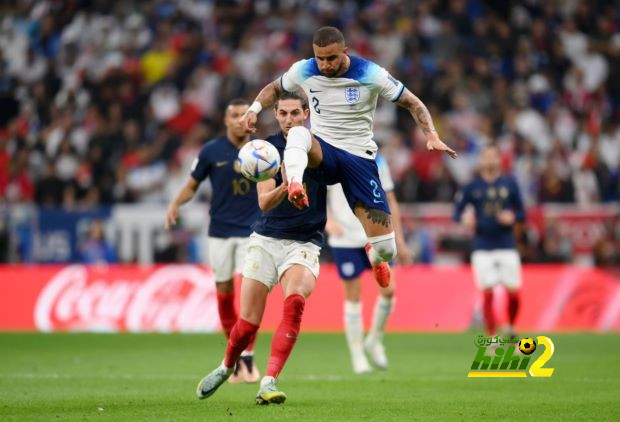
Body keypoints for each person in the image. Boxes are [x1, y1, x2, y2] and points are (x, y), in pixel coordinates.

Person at [240, 26, 457, 290]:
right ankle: (295, 183)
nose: (324, 64)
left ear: (345, 52)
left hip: (359, 159)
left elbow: (412, 102)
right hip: (324, 152)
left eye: (331, 58)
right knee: (298, 132)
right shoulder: (304, 69)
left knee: (387, 250)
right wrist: (254, 108)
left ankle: (375, 256)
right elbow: (275, 88)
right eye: (319, 58)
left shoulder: (371, 73)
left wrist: (431, 135)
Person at [196, 92, 326, 405]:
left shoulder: (321, 149)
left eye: (296, 113)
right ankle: (227, 366)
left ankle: (268, 381)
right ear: (276, 115)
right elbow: (264, 202)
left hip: (304, 243)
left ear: (306, 113)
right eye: (283, 113)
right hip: (266, 241)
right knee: (247, 323)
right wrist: (286, 185)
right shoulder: (265, 150)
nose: (290, 119)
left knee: (294, 302)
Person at [165, 99, 260, 383]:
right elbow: (192, 185)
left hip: (252, 231)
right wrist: (175, 204)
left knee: (248, 294)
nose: (240, 119)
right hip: (219, 231)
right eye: (234, 115)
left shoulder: (261, 150)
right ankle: (235, 356)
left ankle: (248, 358)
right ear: (226, 120)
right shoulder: (211, 151)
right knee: (224, 294)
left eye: (245, 114)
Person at [325, 154, 412, 374]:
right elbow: (318, 190)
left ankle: (374, 340)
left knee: (389, 290)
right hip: (344, 236)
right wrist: (328, 220)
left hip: (374, 234)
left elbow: (390, 199)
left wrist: (399, 240)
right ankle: (357, 357)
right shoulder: (330, 152)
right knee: (353, 296)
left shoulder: (377, 158)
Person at [453, 145, 526, 337]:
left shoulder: (510, 184)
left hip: (506, 243)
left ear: (499, 159)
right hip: (482, 244)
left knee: (514, 292)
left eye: (494, 156)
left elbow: (522, 212)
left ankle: (511, 327)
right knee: (487, 292)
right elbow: (457, 211)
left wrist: (513, 217)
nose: (490, 160)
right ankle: (492, 336)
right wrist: (464, 218)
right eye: (486, 157)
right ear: (481, 161)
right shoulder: (472, 187)